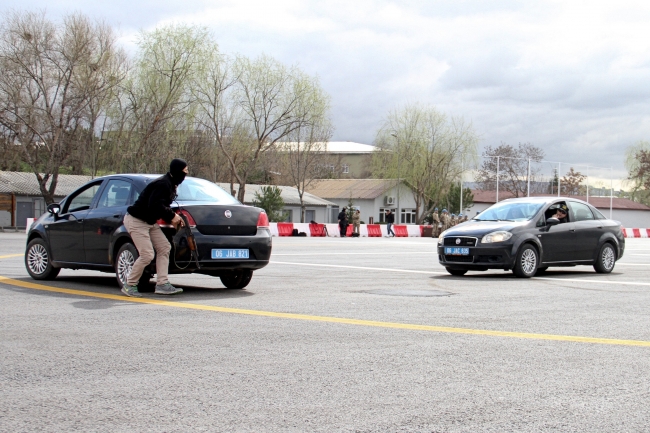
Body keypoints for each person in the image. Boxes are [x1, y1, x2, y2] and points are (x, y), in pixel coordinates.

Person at [121, 158, 188, 297]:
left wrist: (173, 218)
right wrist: (172, 216)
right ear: (177, 171)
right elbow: (155, 205)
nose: (185, 175)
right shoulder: (163, 184)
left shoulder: (170, 183)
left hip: (149, 222)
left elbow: (161, 205)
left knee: (164, 247)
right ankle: (130, 284)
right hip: (136, 220)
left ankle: (162, 284)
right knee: (147, 254)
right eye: (184, 172)